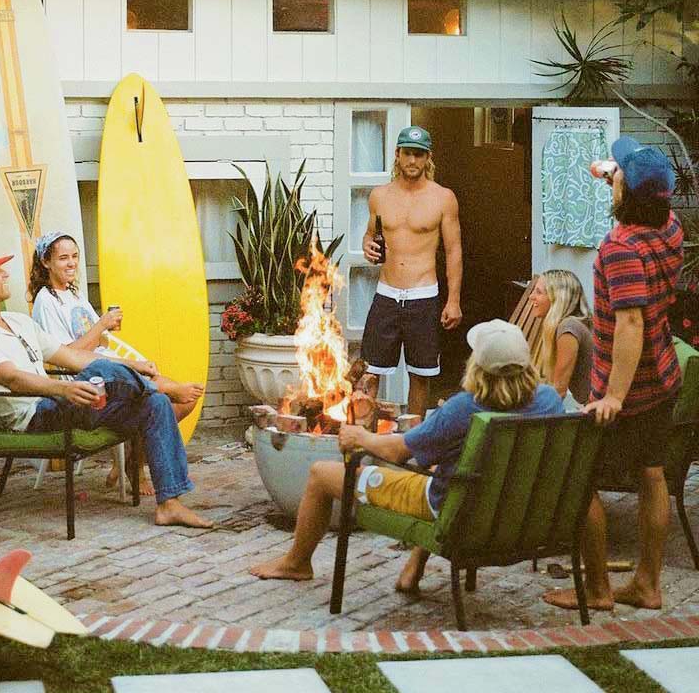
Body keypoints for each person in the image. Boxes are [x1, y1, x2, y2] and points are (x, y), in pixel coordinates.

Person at [249, 319, 563, 587]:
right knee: (452, 473)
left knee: (321, 474)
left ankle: (296, 563)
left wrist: (360, 435)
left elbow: (397, 451)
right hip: (514, 513)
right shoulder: (549, 401)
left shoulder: (463, 408)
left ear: (477, 366)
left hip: (454, 512)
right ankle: (414, 565)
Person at [0, 249, 212, 529]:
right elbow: (12, 379)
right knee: (107, 376)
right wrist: (62, 389)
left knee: (154, 404)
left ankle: (170, 504)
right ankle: (164, 387)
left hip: (60, 405)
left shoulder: (20, 322)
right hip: (34, 417)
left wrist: (131, 363)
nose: (5, 273)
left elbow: (73, 357)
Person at [545, 137, 683, 613]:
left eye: (617, 176)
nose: (612, 177)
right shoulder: (670, 227)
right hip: (664, 379)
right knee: (652, 475)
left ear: (631, 194)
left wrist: (613, 398)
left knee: (575, 480)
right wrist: (612, 173)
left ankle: (599, 590)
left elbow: (630, 323)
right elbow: (642, 192)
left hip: (629, 389)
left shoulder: (620, 248)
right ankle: (647, 585)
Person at [30, 231, 204, 495]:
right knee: (173, 396)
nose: (71, 263)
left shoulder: (76, 296)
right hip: (83, 380)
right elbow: (64, 355)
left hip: (105, 368)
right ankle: (135, 465)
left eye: (75, 257)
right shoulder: (46, 301)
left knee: (179, 402)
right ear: (46, 262)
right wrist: (101, 325)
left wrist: (106, 332)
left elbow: (101, 343)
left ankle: (133, 461)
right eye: (63, 258)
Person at [361, 126, 463, 416]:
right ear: (397, 154)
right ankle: (364, 441)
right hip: (387, 294)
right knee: (369, 374)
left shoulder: (443, 198)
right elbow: (370, 235)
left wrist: (453, 300)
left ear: (428, 157)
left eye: (419, 155)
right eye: (408, 154)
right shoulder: (379, 196)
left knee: (420, 376)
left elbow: (454, 250)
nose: (413, 161)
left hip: (423, 295)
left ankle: (413, 446)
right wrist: (368, 246)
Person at [529, 269, 592, 408]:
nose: (531, 297)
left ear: (557, 298)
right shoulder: (574, 323)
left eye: (538, 292)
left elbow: (559, 391)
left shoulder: (568, 328)